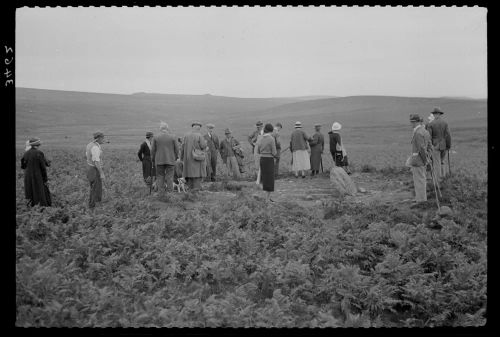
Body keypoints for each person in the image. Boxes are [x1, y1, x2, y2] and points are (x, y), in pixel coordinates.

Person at [407, 114, 431, 204]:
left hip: (418, 160)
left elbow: (421, 148)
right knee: (421, 179)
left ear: (416, 122)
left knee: (419, 180)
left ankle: (421, 200)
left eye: (412, 122)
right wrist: (428, 157)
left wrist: (425, 160)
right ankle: (420, 198)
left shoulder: (417, 133)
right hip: (421, 159)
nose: (411, 124)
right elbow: (429, 146)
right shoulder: (425, 131)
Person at [21, 137, 52, 207]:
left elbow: (23, 166)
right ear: (37, 145)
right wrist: (45, 179)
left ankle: (31, 207)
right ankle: (42, 209)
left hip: (28, 176)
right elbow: (43, 168)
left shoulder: (26, 153)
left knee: (30, 191)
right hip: (37, 176)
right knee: (40, 192)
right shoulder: (39, 153)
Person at [151, 122, 179, 195]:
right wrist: (175, 158)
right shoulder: (173, 137)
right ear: (167, 128)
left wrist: (153, 159)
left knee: (160, 176)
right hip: (170, 160)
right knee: (170, 177)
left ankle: (161, 193)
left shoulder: (156, 137)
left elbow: (152, 150)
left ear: (160, 129)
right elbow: (177, 149)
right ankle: (170, 193)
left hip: (159, 160)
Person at [427, 107, 451, 182]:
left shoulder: (431, 124)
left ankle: (438, 180)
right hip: (443, 145)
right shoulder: (445, 123)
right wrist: (448, 145)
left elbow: (429, 137)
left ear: (434, 114)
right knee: (442, 162)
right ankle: (443, 178)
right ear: (440, 114)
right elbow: (448, 135)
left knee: (436, 163)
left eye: (434, 114)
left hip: (435, 146)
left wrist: (429, 147)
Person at [181, 121, 208, 190]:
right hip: (196, 158)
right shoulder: (199, 135)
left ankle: (190, 190)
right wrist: (206, 144)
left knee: (189, 175)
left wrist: (181, 158)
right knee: (197, 175)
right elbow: (203, 146)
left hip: (187, 159)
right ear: (198, 128)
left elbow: (182, 148)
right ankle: (196, 190)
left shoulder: (186, 136)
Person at [257, 123, 277, 201]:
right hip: (269, 160)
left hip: (262, 159)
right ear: (271, 131)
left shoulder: (260, 138)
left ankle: (267, 198)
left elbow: (258, 150)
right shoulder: (271, 139)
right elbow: (274, 152)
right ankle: (267, 199)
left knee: (264, 178)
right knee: (270, 179)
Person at [86, 131, 106, 209]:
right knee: (96, 189)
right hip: (94, 169)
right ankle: (93, 208)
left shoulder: (89, 145)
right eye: (102, 138)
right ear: (98, 138)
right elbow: (96, 161)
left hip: (89, 168)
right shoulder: (95, 147)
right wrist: (101, 173)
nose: (103, 140)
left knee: (93, 188)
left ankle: (92, 206)